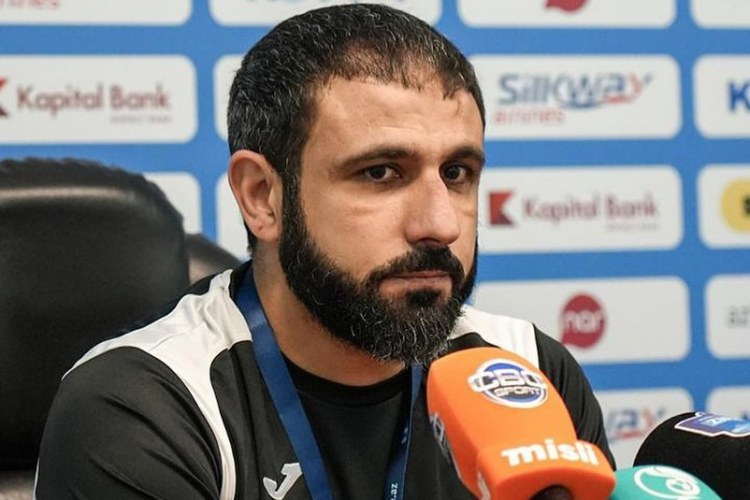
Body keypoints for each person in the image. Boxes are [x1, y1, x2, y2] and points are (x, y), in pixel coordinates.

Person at [34, 4, 614, 499]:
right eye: (381, 172)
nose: (439, 225)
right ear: (262, 197)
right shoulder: (143, 407)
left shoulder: (529, 372)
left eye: (457, 172)